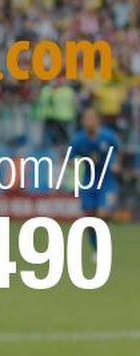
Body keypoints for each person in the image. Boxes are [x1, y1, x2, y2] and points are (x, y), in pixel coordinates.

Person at [69, 107, 121, 254]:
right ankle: (97, 250)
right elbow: (69, 158)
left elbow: (118, 151)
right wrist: (73, 164)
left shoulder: (108, 137)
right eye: (86, 119)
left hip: (106, 180)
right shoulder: (78, 139)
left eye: (92, 119)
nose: (89, 122)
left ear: (97, 120)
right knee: (89, 219)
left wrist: (117, 163)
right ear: (83, 121)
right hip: (88, 181)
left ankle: (105, 237)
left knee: (103, 213)